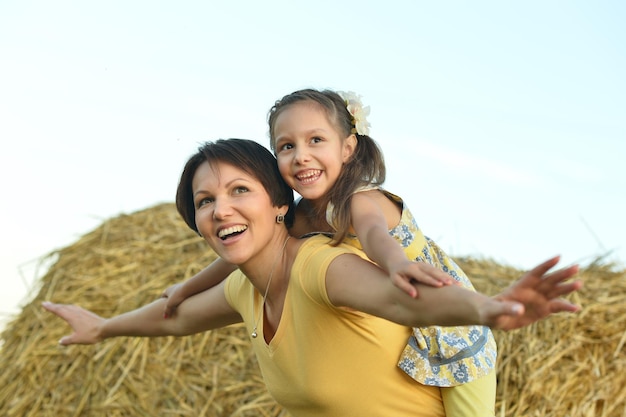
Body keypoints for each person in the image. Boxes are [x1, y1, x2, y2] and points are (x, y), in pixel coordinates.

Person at [43, 138, 582, 417]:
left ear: (279, 204)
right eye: (205, 201)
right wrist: (104, 327)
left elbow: (407, 304)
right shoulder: (241, 287)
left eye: (238, 192)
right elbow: (173, 321)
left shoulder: (318, 266)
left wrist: (488, 309)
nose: (221, 210)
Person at [162, 89, 494, 414]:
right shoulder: (298, 216)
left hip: (454, 325)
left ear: (348, 147)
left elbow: (376, 235)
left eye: (315, 140)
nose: (301, 155)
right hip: (401, 319)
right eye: (287, 146)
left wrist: (395, 265)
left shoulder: (361, 200)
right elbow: (237, 260)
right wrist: (184, 290)